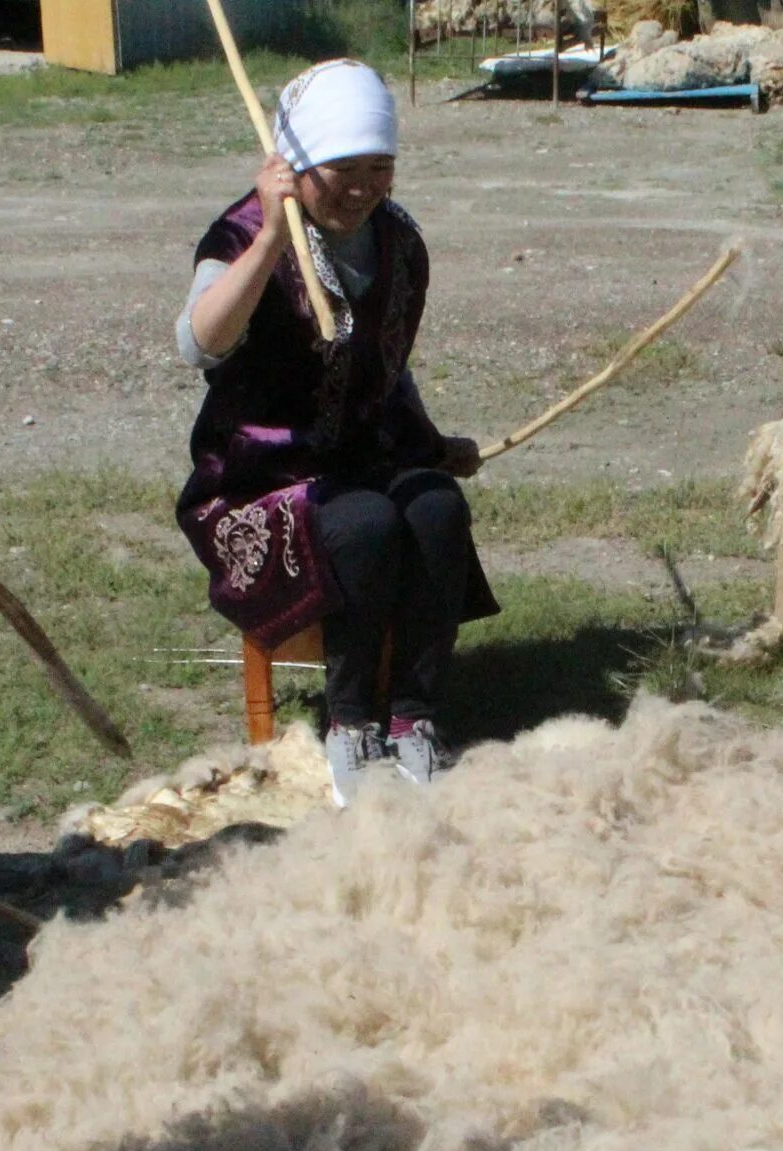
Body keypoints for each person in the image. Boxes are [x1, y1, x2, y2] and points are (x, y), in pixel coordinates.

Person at [174, 58, 497, 806]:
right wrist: (269, 246)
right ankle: (350, 722)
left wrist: (432, 442)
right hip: (258, 479)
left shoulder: (397, 240)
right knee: (366, 525)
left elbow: (384, 364)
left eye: (379, 167)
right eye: (341, 169)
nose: (362, 187)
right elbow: (198, 343)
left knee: (436, 507)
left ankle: (414, 717)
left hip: (362, 453)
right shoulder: (243, 232)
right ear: (297, 167)